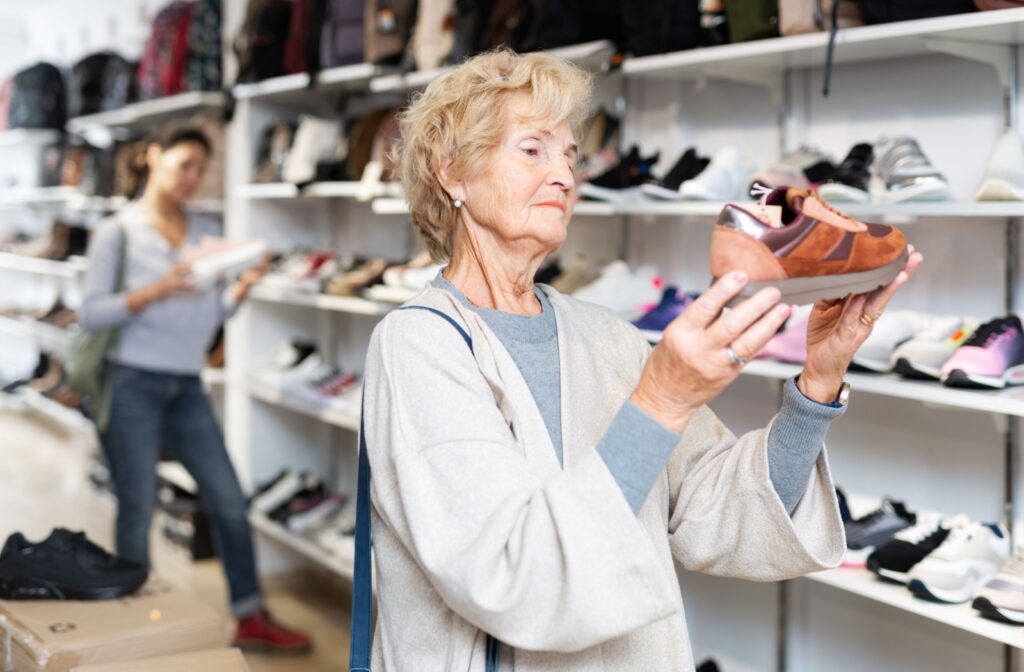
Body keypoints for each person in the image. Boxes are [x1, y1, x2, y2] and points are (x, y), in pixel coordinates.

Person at [362, 50, 923, 670]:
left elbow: (713, 512)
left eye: (570, 156)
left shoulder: (607, 336)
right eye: (533, 150)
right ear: (453, 174)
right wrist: (661, 398)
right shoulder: (417, 345)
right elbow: (509, 574)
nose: (564, 176)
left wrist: (818, 383)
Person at [80, 126, 311, 653]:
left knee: (229, 499)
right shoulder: (117, 232)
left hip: (186, 386)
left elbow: (213, 312)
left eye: (199, 169)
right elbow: (91, 314)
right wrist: (160, 287)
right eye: (183, 163)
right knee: (138, 506)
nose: (191, 177)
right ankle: (135, 623)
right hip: (130, 380)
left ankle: (250, 615)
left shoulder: (205, 230)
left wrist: (242, 288)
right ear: (155, 156)